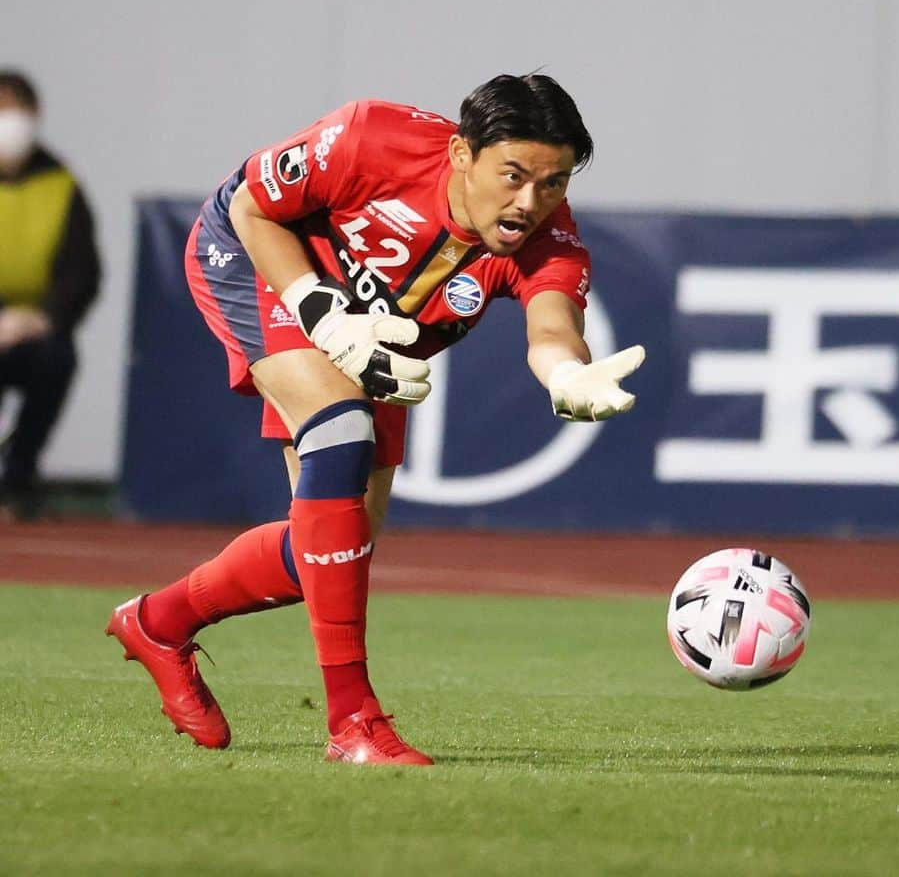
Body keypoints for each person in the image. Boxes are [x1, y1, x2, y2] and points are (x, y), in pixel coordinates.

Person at [106, 73, 644, 765]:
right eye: (513, 176)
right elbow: (251, 209)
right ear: (460, 155)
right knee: (340, 432)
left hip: (376, 333)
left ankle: (158, 622)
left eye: (554, 183)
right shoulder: (371, 137)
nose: (529, 203)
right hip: (257, 262)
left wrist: (568, 373)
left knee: (333, 546)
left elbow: (552, 328)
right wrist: (318, 311)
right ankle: (354, 723)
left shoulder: (553, 243)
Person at [0, 71, 101, 520]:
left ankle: (17, 480)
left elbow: (82, 270)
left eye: (13, 109)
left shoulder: (62, 186)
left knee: (55, 358)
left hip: (30, 328)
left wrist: (43, 317)